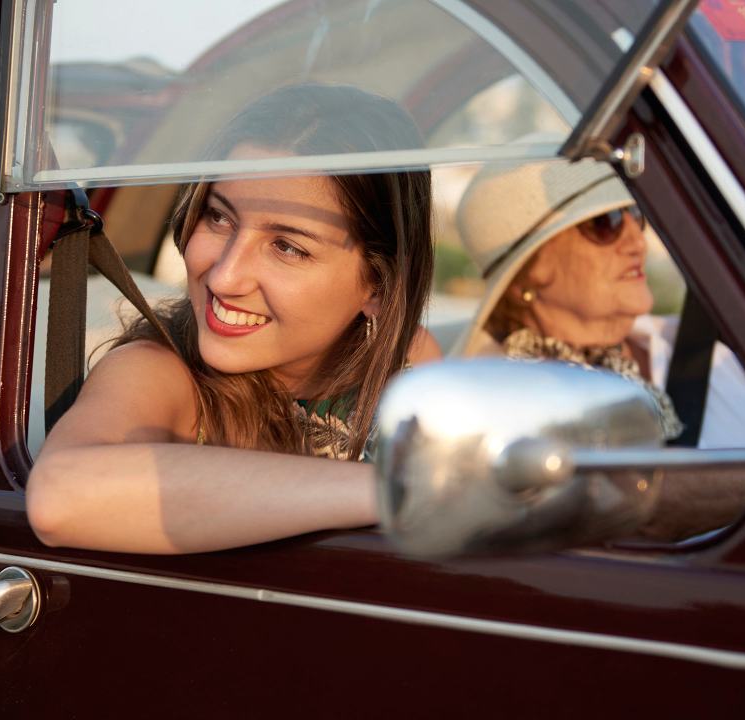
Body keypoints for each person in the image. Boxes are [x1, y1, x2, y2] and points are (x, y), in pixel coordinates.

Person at [27, 84, 440, 554]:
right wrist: (390, 490)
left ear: (381, 288)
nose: (224, 277)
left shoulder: (407, 364)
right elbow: (59, 501)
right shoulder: (156, 372)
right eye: (219, 218)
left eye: (287, 246)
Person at [453, 158, 745, 540]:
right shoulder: (506, 399)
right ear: (531, 269)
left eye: (636, 215)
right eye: (606, 223)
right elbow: (631, 500)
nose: (637, 241)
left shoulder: (703, 345)